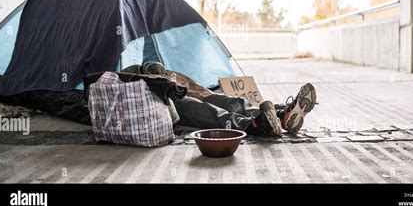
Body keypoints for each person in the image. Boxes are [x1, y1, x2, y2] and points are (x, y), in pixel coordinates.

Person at [122, 62, 317, 137]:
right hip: (161, 102)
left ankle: (280, 115)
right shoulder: (113, 81)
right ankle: (254, 125)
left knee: (219, 98)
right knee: (200, 108)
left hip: (172, 88)